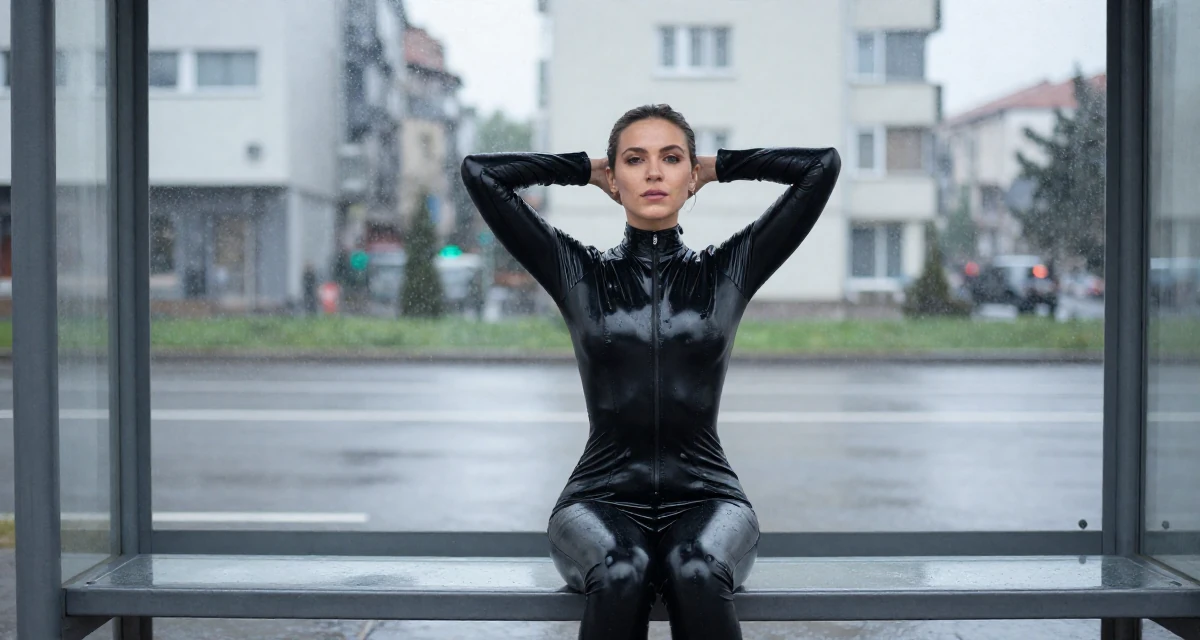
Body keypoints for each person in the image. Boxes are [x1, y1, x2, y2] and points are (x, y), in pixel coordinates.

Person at [461, 104, 840, 640]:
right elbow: (481, 173)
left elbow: (820, 167)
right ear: (614, 180)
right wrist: (586, 169)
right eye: (635, 160)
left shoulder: (726, 271)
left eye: (672, 158)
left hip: (708, 497)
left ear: (691, 176)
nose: (655, 172)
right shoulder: (581, 274)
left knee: (696, 569)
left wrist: (719, 166)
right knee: (621, 571)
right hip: (599, 499)